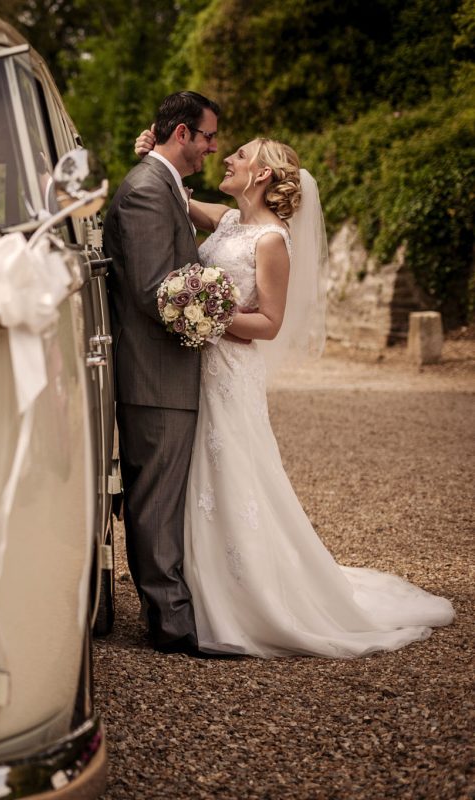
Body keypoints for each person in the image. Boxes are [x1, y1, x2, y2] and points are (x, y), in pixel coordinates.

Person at [132, 129, 456, 657]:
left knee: (235, 470)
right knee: (199, 473)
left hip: (230, 368)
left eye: (239, 156)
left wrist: (210, 315)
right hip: (200, 365)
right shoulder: (231, 219)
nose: (227, 159)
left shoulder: (272, 241)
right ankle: (195, 585)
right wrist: (153, 154)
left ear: (261, 175)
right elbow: (179, 199)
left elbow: (270, 323)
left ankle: (248, 598)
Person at [102, 90, 221, 657]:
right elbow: (155, 290)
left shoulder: (163, 184)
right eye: (207, 136)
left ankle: (173, 607)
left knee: (163, 494)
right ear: (182, 135)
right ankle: (170, 624)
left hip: (164, 369)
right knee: (154, 498)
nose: (212, 147)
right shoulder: (148, 191)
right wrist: (216, 307)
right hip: (155, 371)